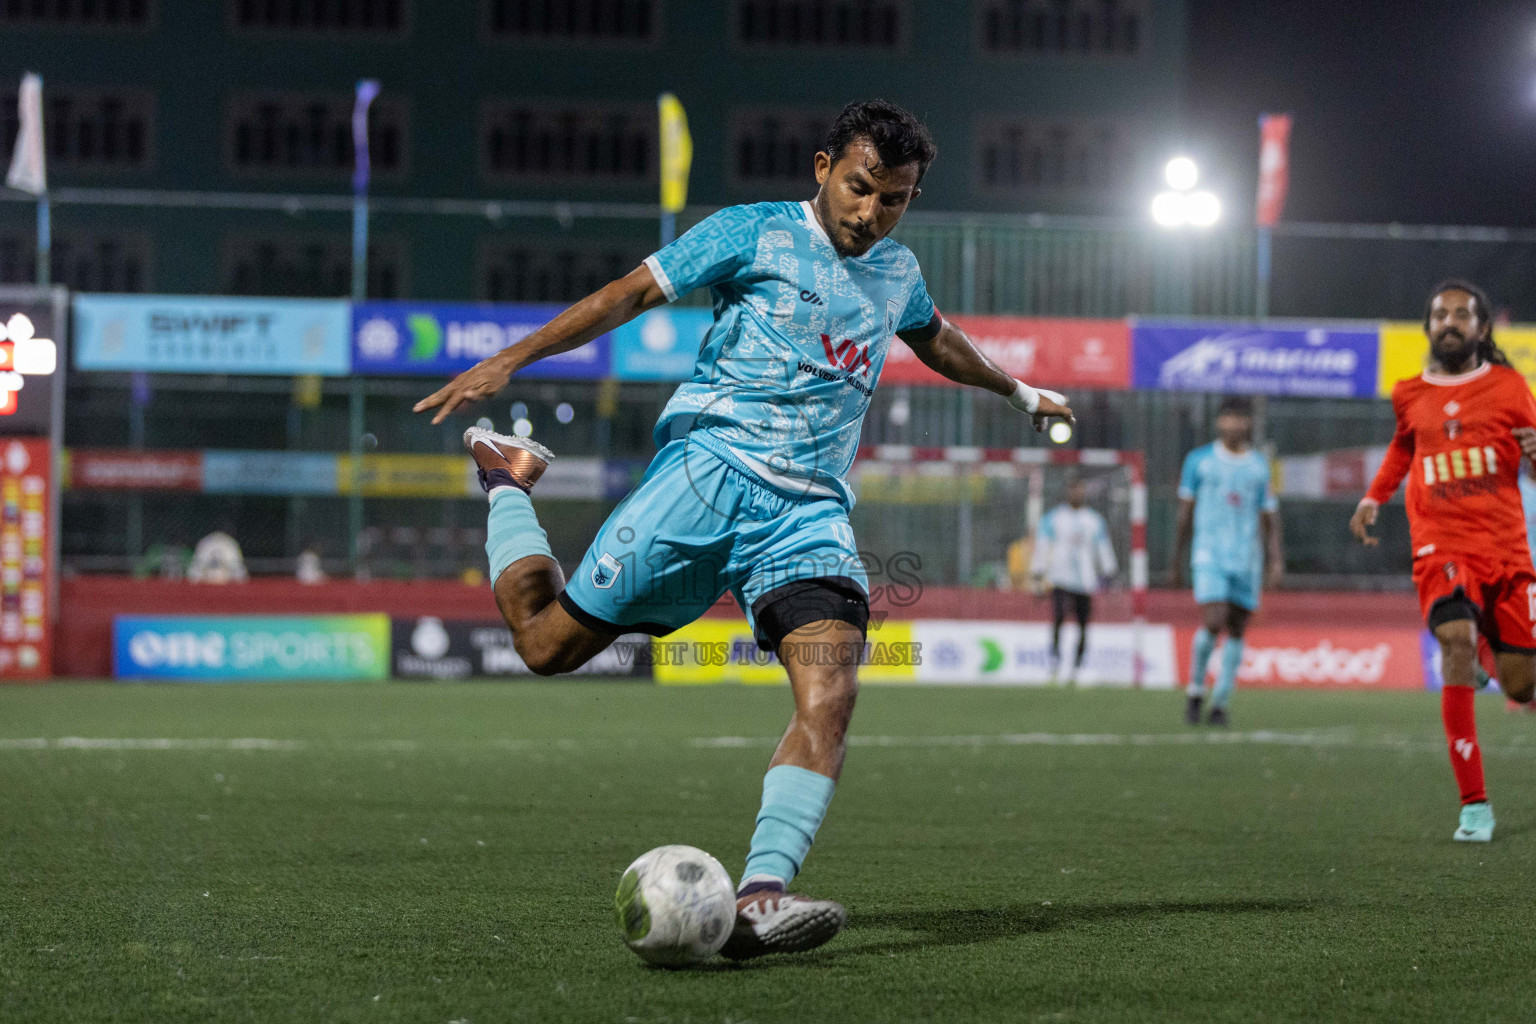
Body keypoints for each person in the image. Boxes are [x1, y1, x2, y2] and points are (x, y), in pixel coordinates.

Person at [412, 100, 1074, 958]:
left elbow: (935, 338)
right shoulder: (752, 232)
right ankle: (507, 480)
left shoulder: (897, 271)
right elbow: (628, 294)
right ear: (823, 167)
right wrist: (512, 357)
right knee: (545, 645)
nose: (871, 214)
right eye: (861, 188)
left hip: (808, 514)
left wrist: (1021, 393)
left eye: (896, 199)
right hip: (706, 478)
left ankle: (762, 896)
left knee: (831, 694)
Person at [1350, 279, 1536, 842]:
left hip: (1504, 549)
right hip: (1441, 546)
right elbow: (1404, 446)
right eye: (1439, 315)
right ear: (1428, 326)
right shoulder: (1409, 392)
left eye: (1461, 315)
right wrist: (1372, 496)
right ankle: (1474, 806)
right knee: (1454, 638)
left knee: (1521, 687)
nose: (1448, 323)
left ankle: (1488, 649)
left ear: (1482, 329)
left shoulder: (1510, 387)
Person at [1171, 396, 1283, 727]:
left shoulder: (1259, 466)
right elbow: (1184, 513)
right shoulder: (1199, 461)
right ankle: (1194, 690)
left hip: (1247, 557)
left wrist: (1276, 560)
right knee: (1213, 619)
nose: (1233, 424)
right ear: (1219, 423)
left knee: (1236, 627)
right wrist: (1176, 559)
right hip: (1209, 553)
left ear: (1248, 423)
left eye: (1239, 418)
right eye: (1227, 418)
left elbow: (1270, 516)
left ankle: (1220, 702)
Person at [1030, 475, 1117, 683]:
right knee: (1059, 616)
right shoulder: (1054, 517)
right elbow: (1043, 545)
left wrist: (1109, 571)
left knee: (1083, 623)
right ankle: (1055, 659)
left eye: (1080, 489)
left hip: (1085, 580)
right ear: (1067, 491)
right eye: (1073, 489)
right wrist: (1038, 572)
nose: (1076, 493)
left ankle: (1078, 664)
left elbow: (1103, 548)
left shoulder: (1094, 520)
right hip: (1060, 577)